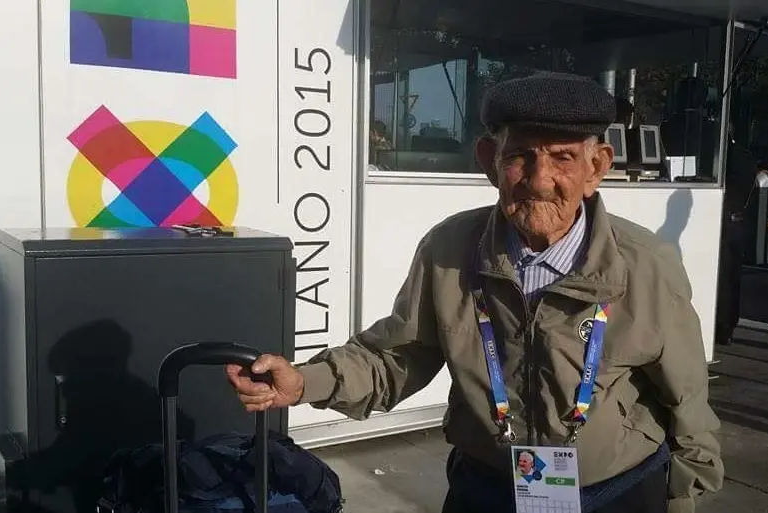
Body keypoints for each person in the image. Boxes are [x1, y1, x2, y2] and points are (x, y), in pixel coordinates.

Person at [226, 73, 724, 513]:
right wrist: (303, 382)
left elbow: (684, 391)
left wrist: (682, 493)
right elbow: (399, 356)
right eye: (520, 156)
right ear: (491, 160)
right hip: (487, 489)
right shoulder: (449, 248)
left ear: (595, 168)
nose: (539, 179)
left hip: (617, 491)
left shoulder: (646, 262)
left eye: (563, 158)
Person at [714, 123, 759, 346]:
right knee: (733, 276)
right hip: (739, 222)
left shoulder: (719, 156)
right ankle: (729, 324)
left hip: (719, 222)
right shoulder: (746, 156)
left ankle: (720, 324)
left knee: (720, 276)